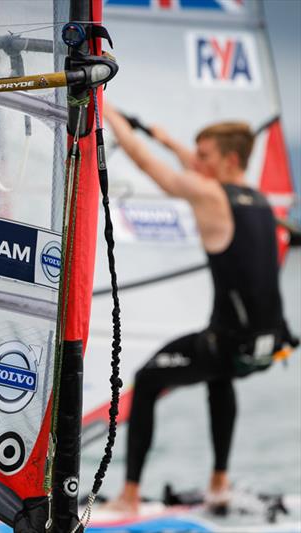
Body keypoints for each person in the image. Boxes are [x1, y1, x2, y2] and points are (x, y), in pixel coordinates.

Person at [103, 104, 297, 514]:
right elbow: (194, 164)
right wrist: (168, 136)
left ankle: (130, 497)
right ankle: (219, 483)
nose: (196, 162)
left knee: (147, 379)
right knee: (218, 376)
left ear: (228, 159)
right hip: (267, 347)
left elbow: (144, 161)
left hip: (228, 344)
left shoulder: (211, 196)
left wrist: (103, 108)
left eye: (204, 156)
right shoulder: (260, 200)